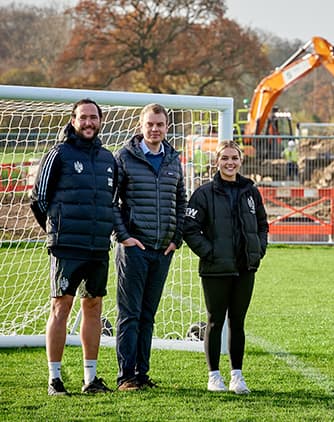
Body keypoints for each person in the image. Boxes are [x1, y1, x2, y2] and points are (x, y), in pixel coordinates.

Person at [30, 98, 116, 395]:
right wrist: (57, 231)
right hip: (66, 246)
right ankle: (55, 379)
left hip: (97, 247)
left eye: (94, 117)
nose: (89, 123)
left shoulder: (108, 158)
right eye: (83, 118)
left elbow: (111, 200)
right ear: (73, 120)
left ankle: (90, 379)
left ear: (100, 120)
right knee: (61, 307)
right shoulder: (58, 153)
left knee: (93, 307)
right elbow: (38, 199)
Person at [183, 140, 269, 394]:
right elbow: (189, 228)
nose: (230, 162)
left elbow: (263, 224)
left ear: (240, 161)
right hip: (216, 269)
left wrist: (258, 249)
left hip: (245, 268)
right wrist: (209, 252)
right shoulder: (204, 193)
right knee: (214, 321)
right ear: (217, 161)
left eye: (234, 158)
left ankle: (237, 376)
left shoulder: (251, 192)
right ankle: (214, 376)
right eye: (225, 158)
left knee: (238, 322)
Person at [113, 103, 187, 391]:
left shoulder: (173, 160)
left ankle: (142, 374)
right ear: (141, 127)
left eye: (160, 124)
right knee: (129, 315)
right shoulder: (124, 158)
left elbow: (181, 201)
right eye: (150, 124)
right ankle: (126, 377)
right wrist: (124, 237)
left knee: (148, 315)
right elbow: (112, 202)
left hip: (162, 250)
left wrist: (175, 238)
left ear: (166, 127)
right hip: (134, 249)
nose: (155, 129)